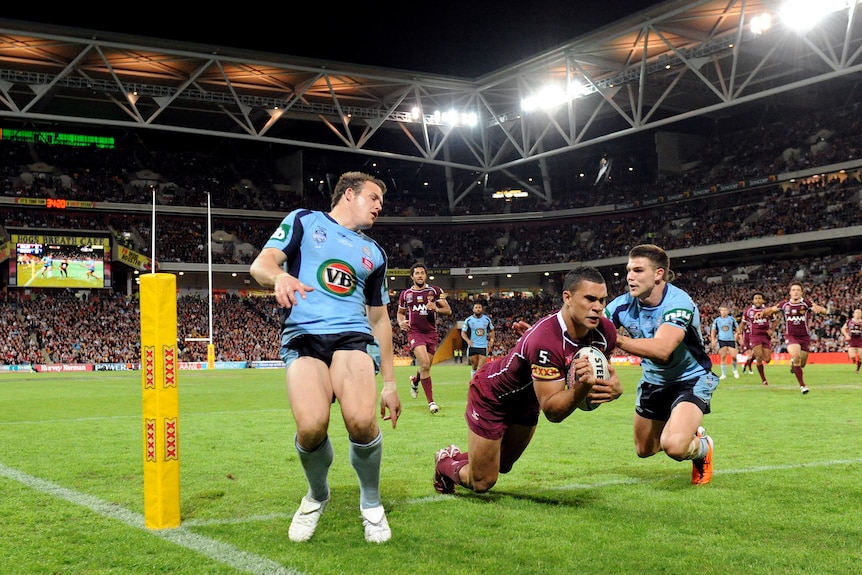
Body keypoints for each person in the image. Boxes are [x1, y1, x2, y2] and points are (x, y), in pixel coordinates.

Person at [249, 171, 401, 544]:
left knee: (362, 421)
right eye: (374, 197)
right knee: (312, 426)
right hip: (304, 336)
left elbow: (379, 318)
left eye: (381, 201)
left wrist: (392, 383)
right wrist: (279, 278)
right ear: (349, 194)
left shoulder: (375, 254)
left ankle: (371, 503)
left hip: (353, 337)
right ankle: (317, 494)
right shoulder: (305, 221)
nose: (380, 206)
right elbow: (261, 264)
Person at [433, 266, 623, 494]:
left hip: (528, 400)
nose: (598, 308)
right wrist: (583, 388)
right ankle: (445, 462)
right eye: (590, 299)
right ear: (567, 297)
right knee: (482, 482)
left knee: (504, 464)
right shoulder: (544, 338)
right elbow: (553, 412)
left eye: (602, 300)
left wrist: (613, 389)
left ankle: (464, 456)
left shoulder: (606, 332)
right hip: (493, 395)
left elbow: (598, 375)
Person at [604, 244, 718, 485]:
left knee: (674, 446)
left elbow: (663, 350)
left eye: (638, 270)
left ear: (658, 274)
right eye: (628, 270)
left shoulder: (678, 302)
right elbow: (588, 327)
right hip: (653, 381)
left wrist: (617, 338)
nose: (629, 277)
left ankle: (702, 447)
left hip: (691, 378)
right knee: (644, 450)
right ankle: (683, 428)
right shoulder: (622, 304)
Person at [397, 263, 452, 413]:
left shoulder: (435, 291)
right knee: (425, 365)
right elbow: (400, 313)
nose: (420, 275)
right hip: (415, 333)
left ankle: (415, 381)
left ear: (426, 275)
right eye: (417, 273)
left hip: (431, 334)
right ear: (412, 276)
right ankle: (431, 403)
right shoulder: (405, 294)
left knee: (425, 367)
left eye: (422, 273)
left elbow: (448, 310)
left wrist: (437, 309)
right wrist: (401, 322)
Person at [757, 281, 828, 394]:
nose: (795, 292)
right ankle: (803, 386)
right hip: (791, 336)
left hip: (804, 337)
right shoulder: (784, 304)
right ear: (790, 292)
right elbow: (771, 309)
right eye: (793, 290)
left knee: (802, 364)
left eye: (798, 290)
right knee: (796, 357)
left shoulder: (807, 304)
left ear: (801, 292)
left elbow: (824, 310)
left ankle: (794, 366)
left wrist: (820, 309)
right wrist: (762, 313)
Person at [736, 292, 777, 385]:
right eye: (756, 298)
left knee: (767, 359)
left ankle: (752, 359)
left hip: (765, 336)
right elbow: (743, 324)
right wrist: (738, 334)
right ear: (752, 300)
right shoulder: (748, 311)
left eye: (759, 298)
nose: (758, 300)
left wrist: (772, 330)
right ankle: (764, 380)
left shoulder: (768, 310)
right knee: (759, 356)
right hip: (754, 336)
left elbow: (775, 321)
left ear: (763, 300)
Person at [461, 302, 495, 377]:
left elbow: (492, 331)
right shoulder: (468, 320)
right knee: (474, 366)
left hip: (483, 346)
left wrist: (491, 340)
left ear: (482, 309)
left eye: (479, 307)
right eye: (476, 307)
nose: (478, 309)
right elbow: (463, 333)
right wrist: (468, 341)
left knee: (481, 367)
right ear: (473, 309)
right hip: (473, 346)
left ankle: (480, 384)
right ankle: (473, 382)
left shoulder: (486, 319)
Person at [710, 305, 739, 379]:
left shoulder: (732, 319)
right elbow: (713, 331)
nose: (723, 312)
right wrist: (713, 340)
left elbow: (737, 328)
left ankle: (735, 370)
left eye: (725, 310)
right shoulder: (717, 320)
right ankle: (723, 374)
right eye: (722, 310)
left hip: (731, 339)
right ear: (720, 312)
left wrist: (737, 335)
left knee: (734, 356)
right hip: (721, 340)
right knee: (723, 357)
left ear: (728, 311)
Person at [840, 308, 862, 374]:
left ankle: (857, 369)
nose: (857, 314)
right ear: (853, 314)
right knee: (852, 356)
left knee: (861, 357)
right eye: (856, 312)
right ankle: (854, 360)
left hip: (860, 340)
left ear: (861, 314)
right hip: (852, 340)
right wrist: (846, 335)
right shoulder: (849, 321)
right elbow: (843, 329)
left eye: (859, 313)